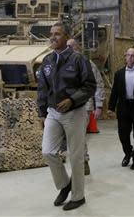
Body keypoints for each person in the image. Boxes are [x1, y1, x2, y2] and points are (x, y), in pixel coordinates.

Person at [37, 23, 96, 211]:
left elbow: (89, 86)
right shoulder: (46, 61)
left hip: (74, 112)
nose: (53, 37)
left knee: (75, 156)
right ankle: (65, 185)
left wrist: (72, 100)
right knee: (48, 151)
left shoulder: (78, 59)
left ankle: (78, 197)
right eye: (51, 34)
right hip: (53, 113)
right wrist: (41, 113)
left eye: (58, 34)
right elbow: (42, 90)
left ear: (66, 37)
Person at [66, 38, 105, 176]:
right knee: (72, 136)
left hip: (84, 106)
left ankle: (83, 162)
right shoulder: (63, 65)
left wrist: (99, 105)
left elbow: (99, 84)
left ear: (78, 48)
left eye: (71, 46)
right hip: (67, 107)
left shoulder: (88, 64)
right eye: (67, 47)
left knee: (79, 135)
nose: (69, 49)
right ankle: (80, 161)